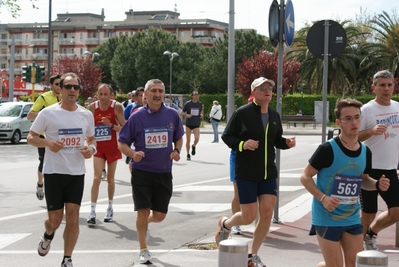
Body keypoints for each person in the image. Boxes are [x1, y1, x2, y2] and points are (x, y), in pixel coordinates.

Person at [216, 77, 296, 267]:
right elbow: (227, 136)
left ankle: (253, 255)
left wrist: (286, 143)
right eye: (262, 87)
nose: (267, 90)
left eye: (270, 87)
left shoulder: (275, 116)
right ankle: (225, 224)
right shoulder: (242, 113)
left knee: (267, 213)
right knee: (248, 216)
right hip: (247, 172)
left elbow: (275, 140)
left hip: (268, 173)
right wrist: (243, 144)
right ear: (254, 92)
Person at [300, 98, 390, 267]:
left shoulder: (365, 152)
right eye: (348, 118)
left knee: (353, 264)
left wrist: (377, 184)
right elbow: (305, 176)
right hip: (326, 218)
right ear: (338, 122)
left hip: (351, 217)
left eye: (357, 117)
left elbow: (363, 180)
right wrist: (323, 198)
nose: (354, 122)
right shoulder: (327, 149)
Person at [26, 72, 96, 267]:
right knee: (55, 220)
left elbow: (91, 139)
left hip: (76, 173)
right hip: (54, 172)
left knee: (73, 218)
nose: (72, 90)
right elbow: (30, 137)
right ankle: (48, 235)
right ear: (60, 89)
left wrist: (91, 149)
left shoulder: (86, 114)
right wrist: (48, 142)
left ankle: (67, 258)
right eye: (68, 87)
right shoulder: (48, 113)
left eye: (75, 87)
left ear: (79, 91)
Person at [118, 79, 184, 264]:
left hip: (163, 171)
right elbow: (122, 142)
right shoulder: (137, 117)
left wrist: (177, 151)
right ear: (145, 95)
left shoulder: (172, 115)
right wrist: (132, 153)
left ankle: (144, 224)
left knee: (160, 216)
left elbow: (179, 138)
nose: (157, 94)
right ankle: (143, 249)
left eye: (160, 91)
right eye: (153, 90)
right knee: (143, 211)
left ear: (164, 94)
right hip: (142, 171)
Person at [358, 69, 399, 250]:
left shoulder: (398, 107)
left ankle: (371, 234)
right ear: (373, 87)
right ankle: (357, 249)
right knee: (368, 213)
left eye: (389, 85)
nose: (386, 89)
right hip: (368, 169)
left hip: (390, 169)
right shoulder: (366, 110)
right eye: (382, 85)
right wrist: (371, 132)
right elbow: (352, 136)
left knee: (396, 211)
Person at [87, 84, 125, 224]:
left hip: (113, 147)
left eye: (105, 94)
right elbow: (88, 128)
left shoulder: (117, 107)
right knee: (96, 178)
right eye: (100, 94)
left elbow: (124, 127)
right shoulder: (92, 108)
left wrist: (110, 125)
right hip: (98, 148)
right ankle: (92, 211)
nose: (103, 97)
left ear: (111, 95)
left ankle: (109, 207)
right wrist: (89, 144)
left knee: (110, 179)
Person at [27, 74, 62, 201]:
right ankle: (40, 184)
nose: (59, 87)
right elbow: (30, 115)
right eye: (57, 84)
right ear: (51, 85)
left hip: (61, 137)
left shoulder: (65, 97)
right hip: (44, 137)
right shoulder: (43, 98)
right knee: (43, 161)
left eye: (61, 84)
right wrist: (46, 114)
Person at [181, 90, 203, 161]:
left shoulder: (199, 104)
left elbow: (200, 112)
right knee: (188, 140)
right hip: (189, 124)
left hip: (196, 124)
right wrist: (186, 115)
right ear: (192, 96)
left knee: (197, 139)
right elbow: (182, 112)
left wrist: (201, 115)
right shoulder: (188, 104)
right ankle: (188, 154)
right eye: (195, 94)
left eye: (197, 94)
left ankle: (193, 146)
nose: (196, 96)